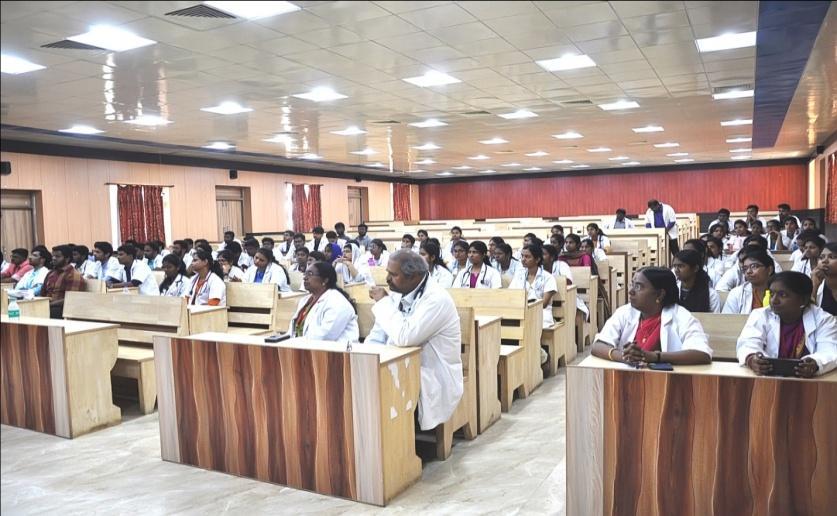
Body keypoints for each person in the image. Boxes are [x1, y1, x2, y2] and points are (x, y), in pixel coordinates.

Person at [366, 250, 463, 431]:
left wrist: (383, 302)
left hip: (431, 373)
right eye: (388, 273)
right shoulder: (398, 292)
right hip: (397, 364)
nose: (387, 279)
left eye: (393, 275)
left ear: (414, 276)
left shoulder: (436, 299)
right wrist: (366, 360)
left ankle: (396, 442)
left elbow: (405, 337)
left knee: (381, 395)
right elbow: (378, 334)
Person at [591, 267, 713, 365]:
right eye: (632, 285)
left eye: (638, 287)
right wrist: (625, 357)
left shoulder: (681, 316)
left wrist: (655, 357)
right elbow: (598, 346)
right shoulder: (625, 312)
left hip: (667, 382)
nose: (631, 291)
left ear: (659, 294)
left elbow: (702, 354)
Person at [737, 271, 836, 377]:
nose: (774, 300)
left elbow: (830, 351)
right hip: (768, 379)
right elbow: (748, 343)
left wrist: (815, 363)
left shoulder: (823, 319)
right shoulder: (761, 315)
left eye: (782, 295)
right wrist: (752, 359)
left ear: (803, 300)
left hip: (809, 381)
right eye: (771, 294)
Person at [289, 262, 359, 341]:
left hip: (335, 348)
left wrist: (294, 342)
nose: (305, 278)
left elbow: (325, 336)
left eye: (310, 274)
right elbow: (292, 331)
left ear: (325, 280)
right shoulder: (305, 300)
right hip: (302, 345)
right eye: (305, 274)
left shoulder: (337, 302)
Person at [509, 244, 557, 328]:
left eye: (527, 257)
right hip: (520, 313)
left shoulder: (548, 277)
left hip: (541, 314)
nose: (523, 259)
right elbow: (511, 295)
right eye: (522, 256)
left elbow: (544, 304)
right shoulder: (519, 276)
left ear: (537, 259)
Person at [723, 250, 775, 314]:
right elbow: (728, 319)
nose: (748, 271)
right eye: (745, 268)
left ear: (769, 270)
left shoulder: (782, 291)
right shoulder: (736, 293)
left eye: (754, 266)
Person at [40, 245, 84, 318]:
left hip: (62, 309)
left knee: (52, 311)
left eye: (57, 256)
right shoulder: (51, 273)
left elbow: (71, 299)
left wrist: (48, 304)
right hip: (47, 305)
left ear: (67, 259)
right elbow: (42, 293)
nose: (53, 258)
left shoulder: (73, 275)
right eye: (53, 256)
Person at [813, 242, 837, 315]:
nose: (824, 261)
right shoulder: (817, 284)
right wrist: (814, 286)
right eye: (821, 257)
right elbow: (809, 314)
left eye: (832, 257)